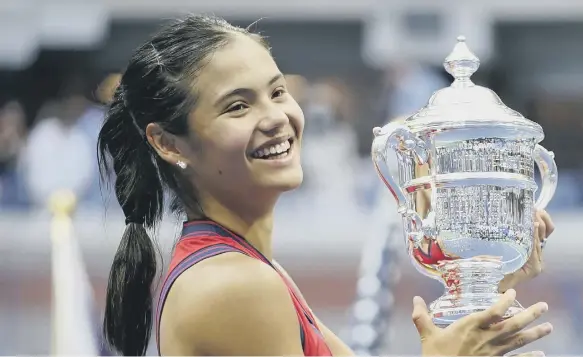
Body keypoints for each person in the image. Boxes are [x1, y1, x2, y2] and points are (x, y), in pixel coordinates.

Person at [98, 15, 554, 356]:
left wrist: (481, 283)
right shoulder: (233, 285)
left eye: (277, 92)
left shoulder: (255, 270)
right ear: (168, 143)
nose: (277, 118)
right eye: (237, 106)